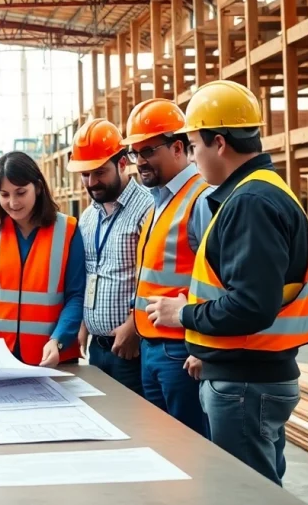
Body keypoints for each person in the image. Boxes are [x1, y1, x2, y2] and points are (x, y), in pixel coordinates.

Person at [145, 80, 308, 487]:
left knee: (244, 493)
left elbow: (250, 306)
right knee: (259, 487)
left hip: (247, 385)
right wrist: (212, 353)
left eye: (193, 146)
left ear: (218, 142)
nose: (192, 156)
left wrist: (183, 314)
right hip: (247, 374)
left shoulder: (250, 203)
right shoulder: (253, 194)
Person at [121, 98, 213, 438]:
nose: (140, 161)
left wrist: (205, 349)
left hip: (181, 350)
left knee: (189, 446)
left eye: (148, 151)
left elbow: (217, 282)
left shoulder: (200, 199)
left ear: (178, 147)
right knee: (163, 445)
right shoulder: (160, 201)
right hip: (153, 347)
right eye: (135, 153)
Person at [0, 151, 85, 366]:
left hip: (54, 356)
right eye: (4, 194)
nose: (13, 202)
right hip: (1, 357)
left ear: (38, 188)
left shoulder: (68, 230)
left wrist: (58, 340)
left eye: (21, 192)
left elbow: (76, 296)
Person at [67, 119, 152, 395]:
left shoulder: (147, 208)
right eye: (85, 175)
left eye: (100, 172)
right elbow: (89, 275)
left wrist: (134, 327)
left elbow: (152, 276)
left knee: (136, 426)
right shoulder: (89, 217)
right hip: (97, 349)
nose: (92, 183)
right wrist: (82, 325)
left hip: (131, 349)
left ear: (123, 164)